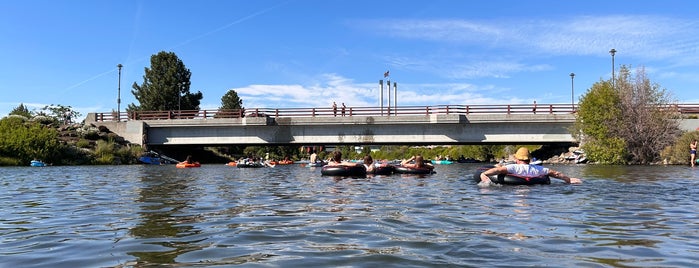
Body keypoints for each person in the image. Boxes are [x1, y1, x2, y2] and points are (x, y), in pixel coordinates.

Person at [479, 147, 582, 186]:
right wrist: (568, 180)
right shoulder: (538, 169)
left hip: (514, 188)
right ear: (529, 159)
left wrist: (484, 174)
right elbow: (555, 173)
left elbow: (498, 170)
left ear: (517, 159)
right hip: (534, 188)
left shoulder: (513, 167)